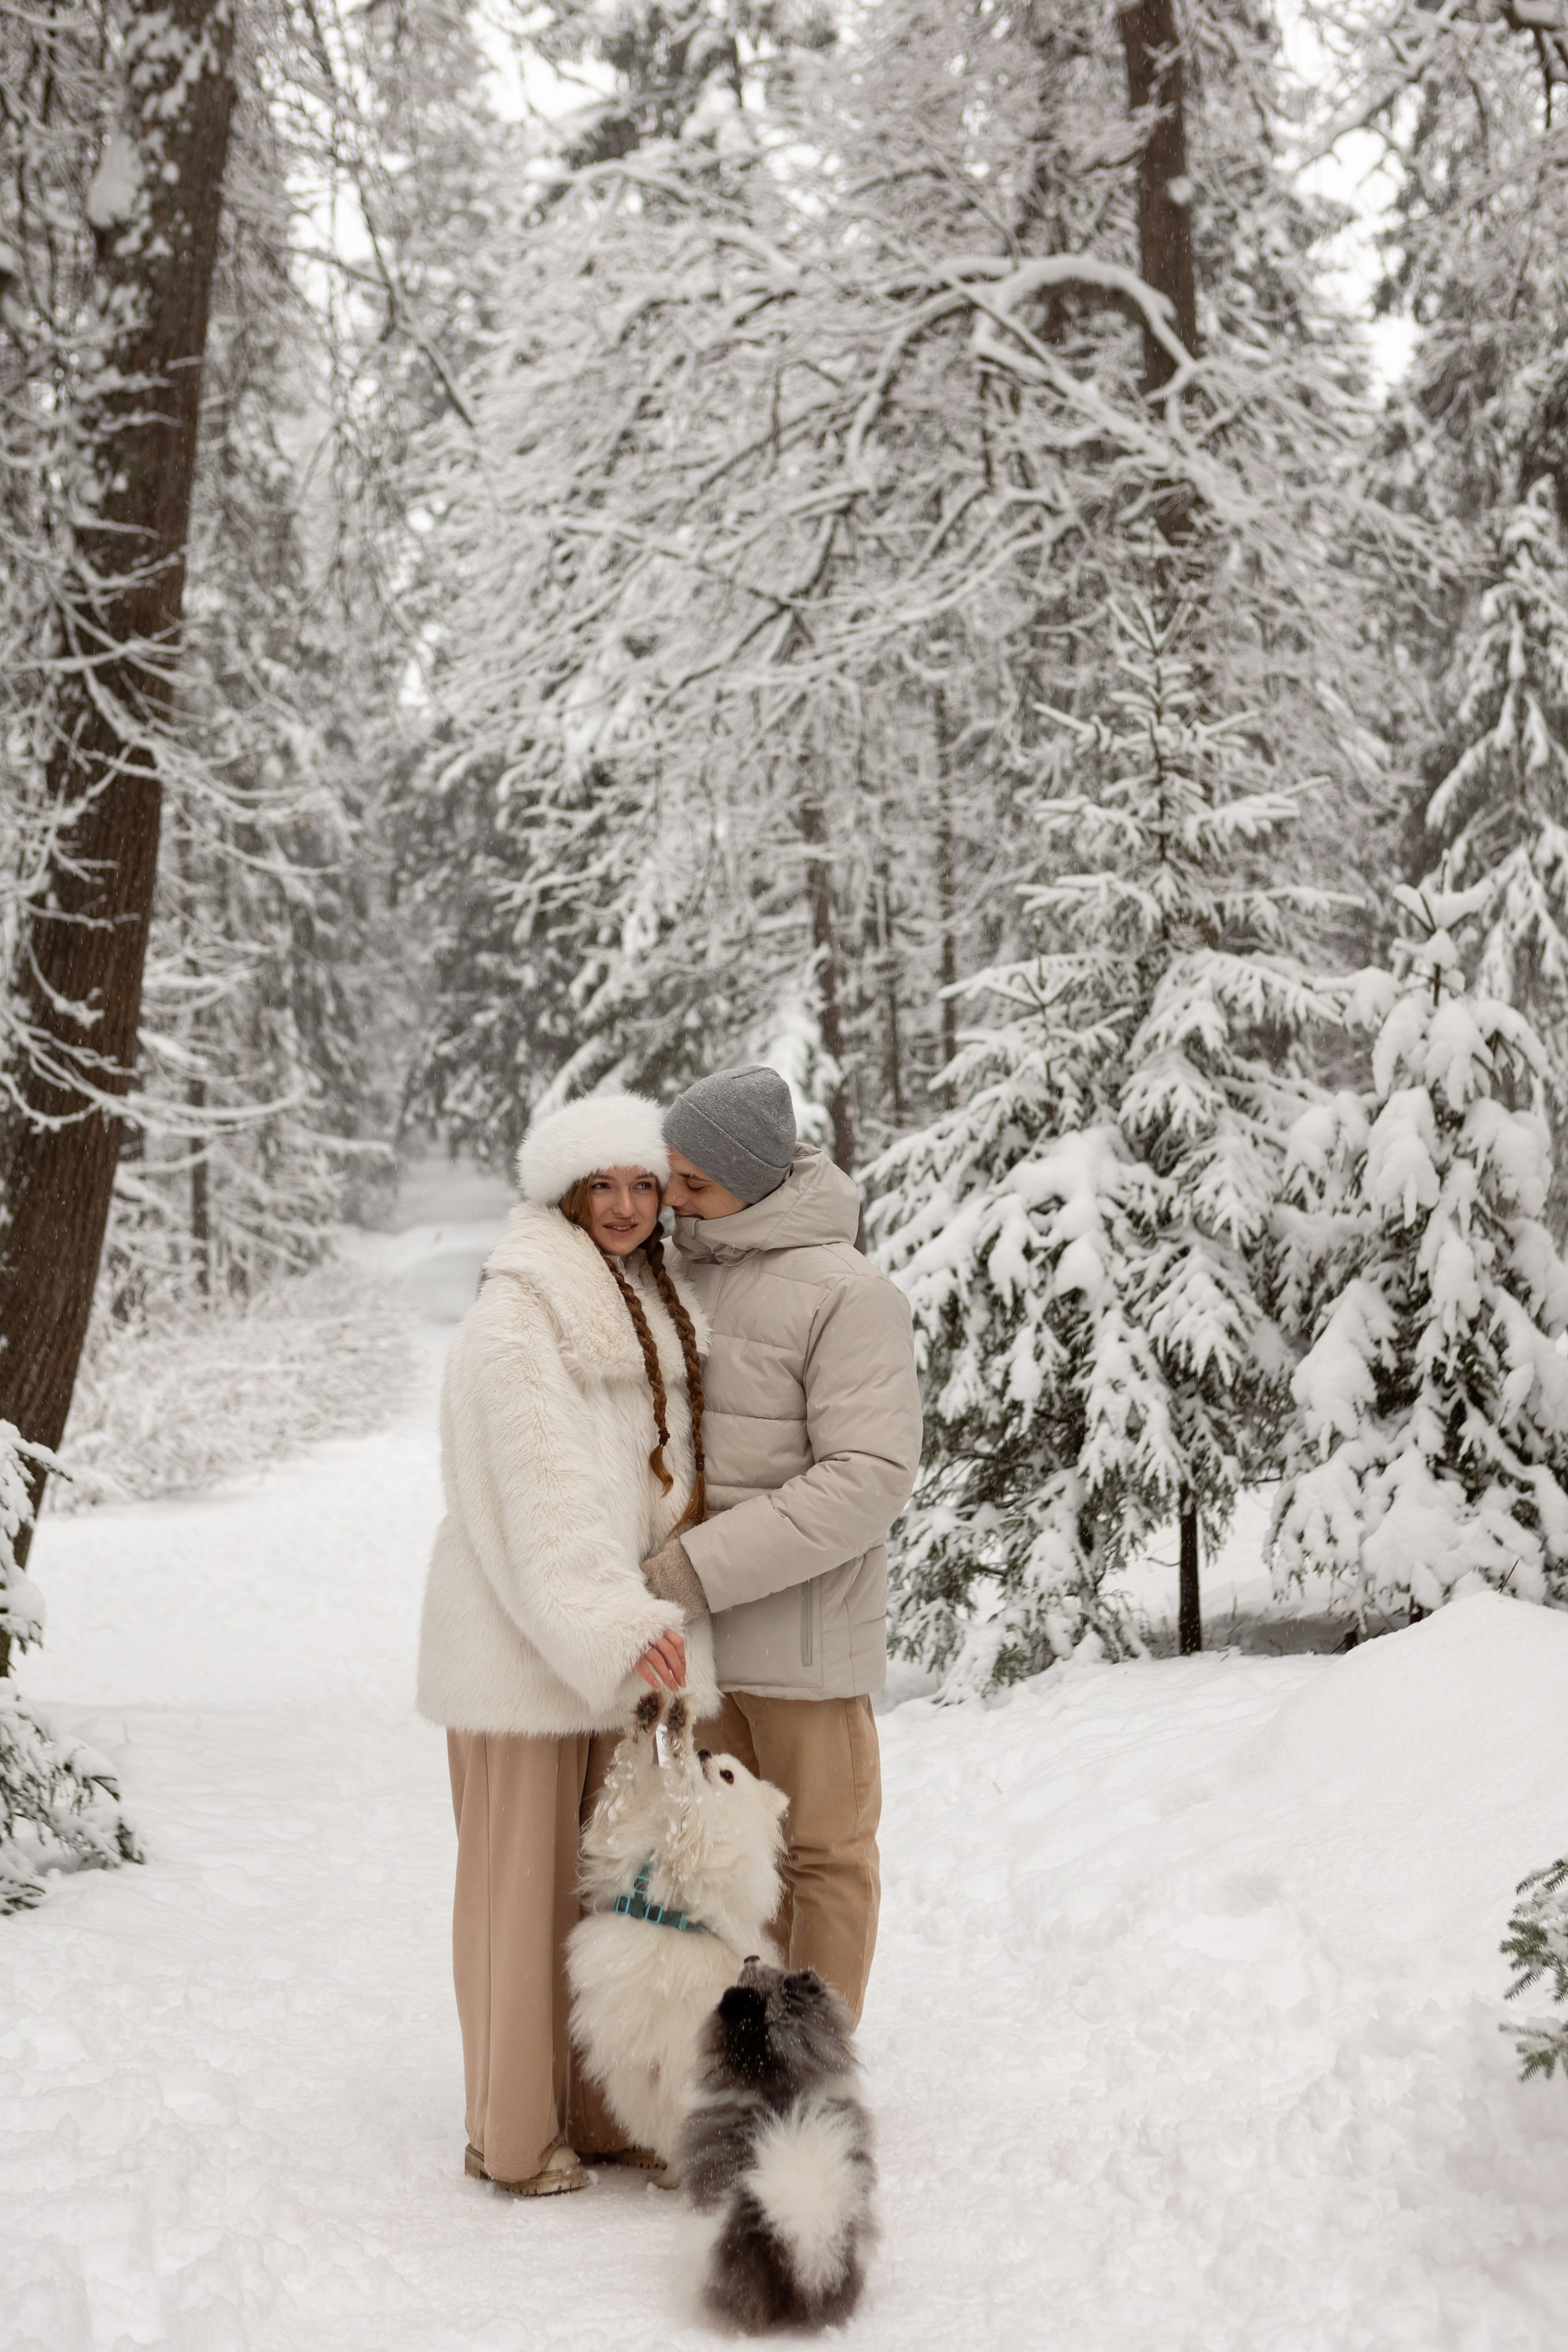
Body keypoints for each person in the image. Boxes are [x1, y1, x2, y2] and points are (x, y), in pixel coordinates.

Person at [416, 1094, 717, 2197]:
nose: (630, 1208)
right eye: (608, 1187)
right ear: (567, 1194)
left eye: (646, 1186)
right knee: (519, 1897)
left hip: (610, 1656)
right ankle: (512, 2133)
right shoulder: (517, 1316)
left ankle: (599, 2111)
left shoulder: (648, 1301)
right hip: (519, 1654)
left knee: (606, 1894)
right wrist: (617, 1621)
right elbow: (538, 1498)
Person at [640, 1067, 922, 2021]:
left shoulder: (849, 1295)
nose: (670, 1199)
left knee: (826, 1856)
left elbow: (867, 1479)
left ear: (752, 1179)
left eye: (693, 1183)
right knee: (722, 1855)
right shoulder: (680, 1274)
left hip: (804, 1641)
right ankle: (732, 2058)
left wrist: (695, 1569)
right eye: (667, 1176)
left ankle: (812, 2072)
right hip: (702, 1646)